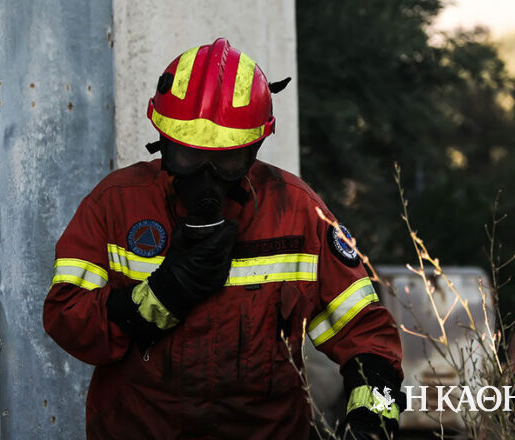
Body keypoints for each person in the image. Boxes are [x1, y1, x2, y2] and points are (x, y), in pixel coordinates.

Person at [43, 38, 404, 439]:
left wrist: (375, 420)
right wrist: (160, 296)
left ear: (254, 149)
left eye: (227, 159)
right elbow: (67, 320)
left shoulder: (296, 213)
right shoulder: (116, 205)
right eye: (188, 157)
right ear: (164, 141)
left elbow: (370, 341)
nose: (206, 177)